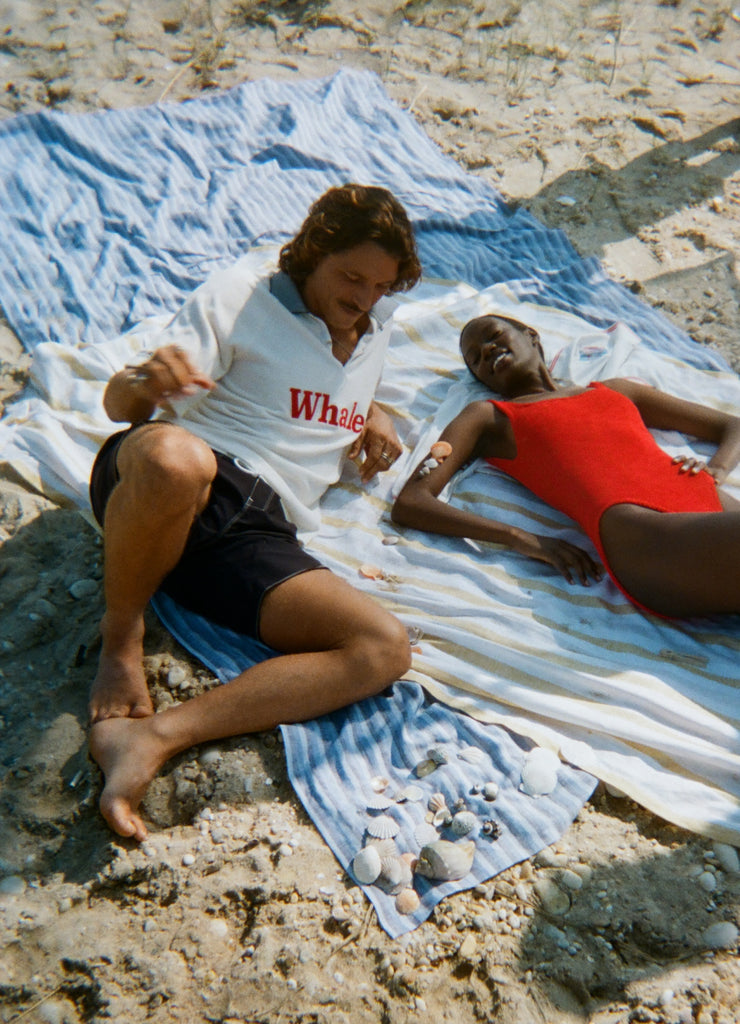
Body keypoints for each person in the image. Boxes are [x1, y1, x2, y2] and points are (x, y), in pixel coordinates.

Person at [88, 183, 422, 841]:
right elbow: (116, 406)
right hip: (178, 478)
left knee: (383, 649)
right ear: (311, 253)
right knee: (177, 460)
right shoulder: (244, 295)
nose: (362, 298)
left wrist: (374, 413)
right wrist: (144, 384)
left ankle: (154, 738)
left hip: (256, 529)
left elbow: (342, 388)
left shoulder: (374, 328)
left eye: (380, 286)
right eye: (351, 276)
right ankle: (121, 635)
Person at [392, 312, 740, 618]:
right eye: (476, 359)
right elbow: (412, 501)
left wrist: (717, 470)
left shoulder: (618, 391)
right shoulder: (489, 418)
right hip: (643, 535)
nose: (487, 351)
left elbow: (732, 425)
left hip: (706, 503)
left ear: (531, 335)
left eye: (494, 336)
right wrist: (517, 537)